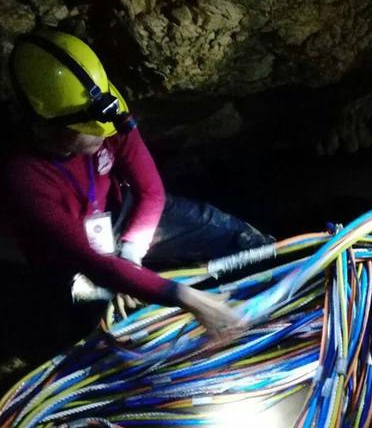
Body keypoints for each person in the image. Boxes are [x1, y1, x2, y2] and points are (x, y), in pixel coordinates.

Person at [2, 29, 273, 338]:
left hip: (116, 213)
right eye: (88, 129)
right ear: (46, 129)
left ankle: (272, 303)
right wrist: (188, 298)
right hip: (68, 256)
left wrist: (131, 255)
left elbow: (150, 190)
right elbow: (92, 263)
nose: (105, 133)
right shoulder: (24, 178)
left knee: (241, 240)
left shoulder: (110, 116)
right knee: (105, 328)